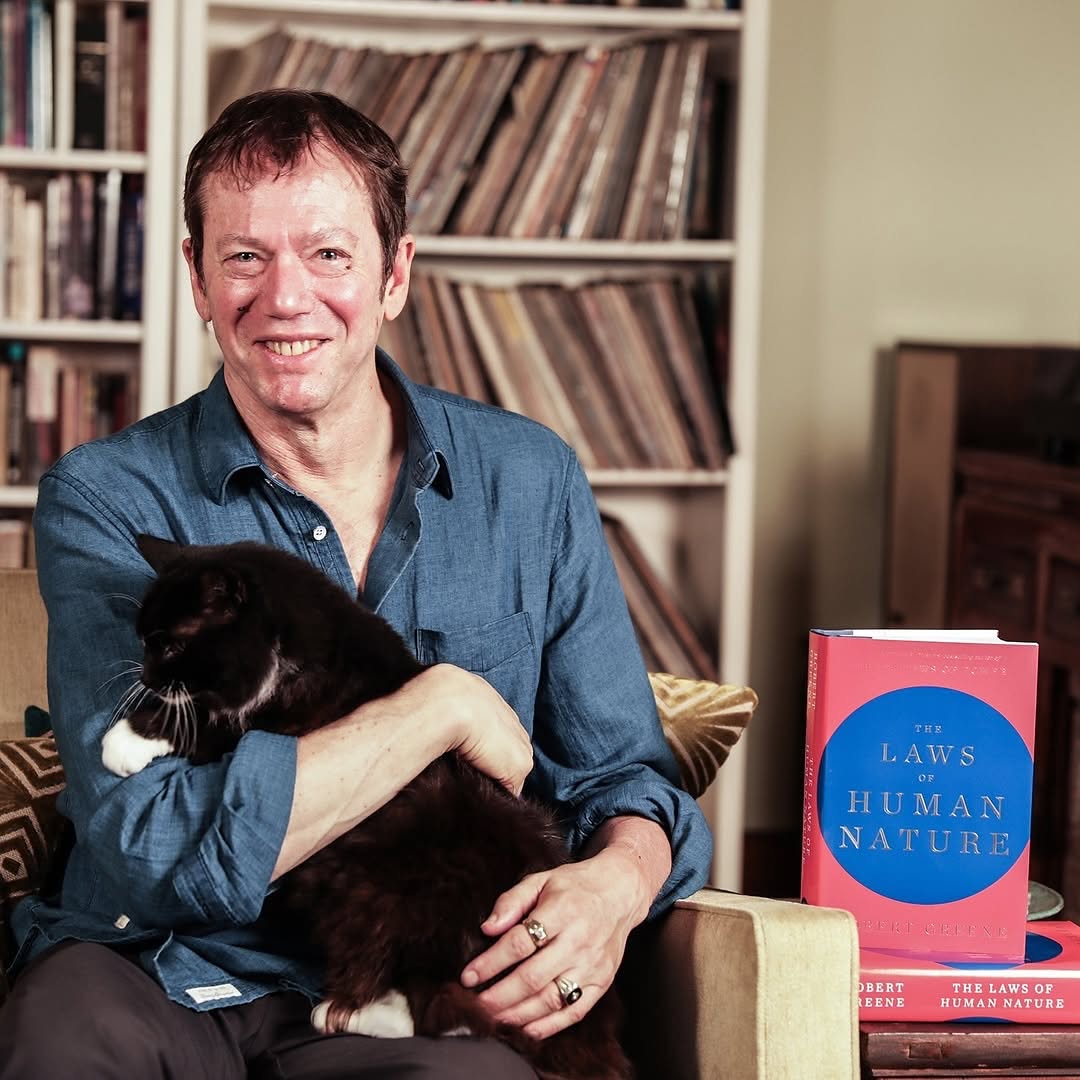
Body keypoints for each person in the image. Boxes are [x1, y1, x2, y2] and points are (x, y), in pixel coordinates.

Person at [0, 89, 712, 1078]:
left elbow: (620, 780)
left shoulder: (529, 481)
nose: (285, 297)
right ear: (198, 281)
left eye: (328, 254)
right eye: (244, 256)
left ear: (395, 275)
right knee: (56, 1025)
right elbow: (150, 842)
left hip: (408, 997)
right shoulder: (107, 498)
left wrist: (618, 885)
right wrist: (440, 706)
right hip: (157, 971)